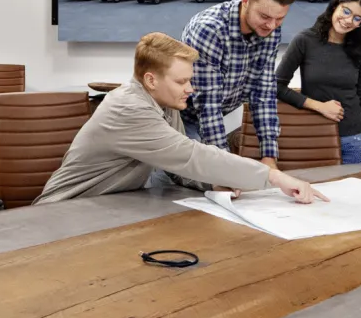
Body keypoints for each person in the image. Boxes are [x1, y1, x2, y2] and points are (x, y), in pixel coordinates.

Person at [36, 33, 327, 205]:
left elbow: (176, 167)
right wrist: (273, 176)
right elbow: (190, 155)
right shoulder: (129, 108)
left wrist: (211, 185)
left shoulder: (164, 103)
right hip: (63, 212)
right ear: (150, 79)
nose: (190, 88)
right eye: (181, 81)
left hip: (104, 208)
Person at [180, 0, 297, 167]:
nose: (272, 26)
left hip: (220, 117)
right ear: (245, 0)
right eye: (265, 17)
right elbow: (208, 106)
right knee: (194, 178)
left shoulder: (270, 29)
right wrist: (226, 168)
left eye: (280, 19)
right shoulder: (210, 29)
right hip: (183, 119)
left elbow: (263, 91)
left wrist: (269, 156)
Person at [276, 0, 361, 165]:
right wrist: (319, 106)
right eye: (346, 11)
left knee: (351, 192)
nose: (348, 20)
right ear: (336, 4)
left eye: (357, 18)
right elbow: (276, 86)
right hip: (314, 134)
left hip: (352, 138)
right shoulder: (304, 40)